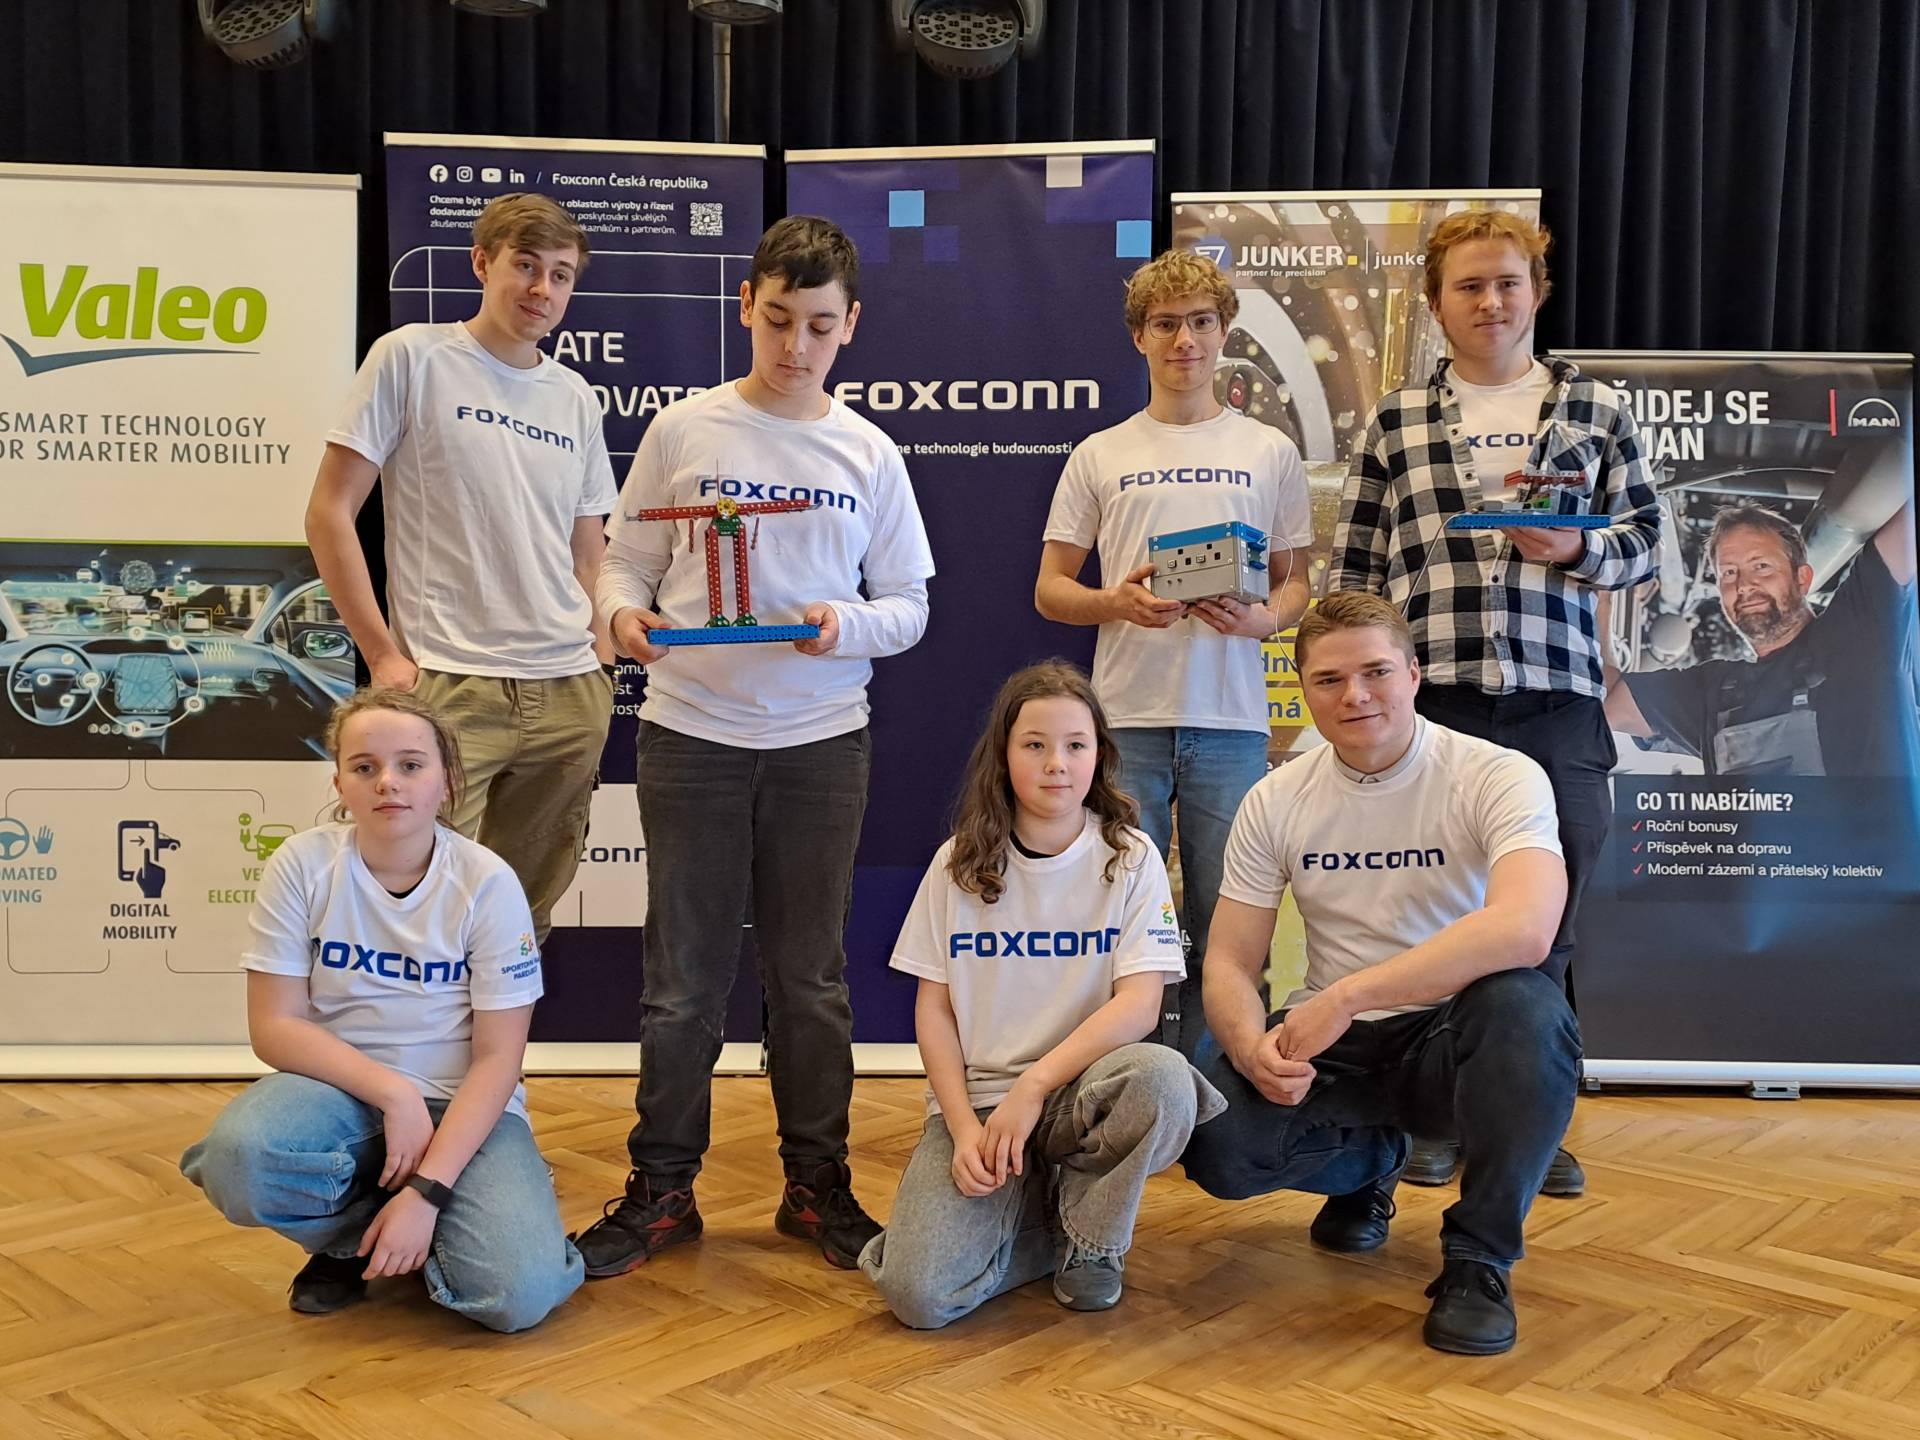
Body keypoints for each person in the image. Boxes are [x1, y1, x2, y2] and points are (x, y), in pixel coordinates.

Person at [575, 216, 935, 1276]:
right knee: (681, 981)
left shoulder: (869, 451)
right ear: (745, 307)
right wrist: (621, 618)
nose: (795, 346)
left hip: (822, 743)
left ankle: (816, 1187)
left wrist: (843, 625)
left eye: (819, 326)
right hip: (690, 735)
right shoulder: (685, 430)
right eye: (777, 320)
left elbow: (909, 606)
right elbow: (624, 565)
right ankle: (663, 1191)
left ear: (850, 325)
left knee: (810, 980)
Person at [1328, 208, 1660, 1194]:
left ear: (1537, 291)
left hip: (1559, 706)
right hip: (1433, 709)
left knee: (1547, 924)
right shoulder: (1397, 420)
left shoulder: (1595, 410)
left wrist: (1578, 547)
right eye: (1468, 286)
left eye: (1508, 281)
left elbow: (1647, 543)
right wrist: (1358, 693)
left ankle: (1528, 1125)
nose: (1490, 301)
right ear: (1437, 305)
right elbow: (1355, 572)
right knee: (1435, 912)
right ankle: (1432, 1117)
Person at [1181, 593, 1579, 1355]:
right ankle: (1370, 1166)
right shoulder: (1275, 797)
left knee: (1527, 1009)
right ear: (1304, 691)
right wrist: (1248, 1047)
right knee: (1221, 1149)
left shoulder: (1498, 774)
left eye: (1376, 672)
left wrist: (1349, 994)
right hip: (1338, 1046)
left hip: (1454, 1037)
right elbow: (1229, 959)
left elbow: (1526, 929)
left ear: (1414, 674)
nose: (1355, 695)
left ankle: (1479, 1260)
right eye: (1329, 680)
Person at [180, 688, 583, 1331]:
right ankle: (355, 1244)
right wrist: (394, 1095)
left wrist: (426, 1192)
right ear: (339, 783)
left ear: (447, 782)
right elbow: (275, 1027)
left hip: (463, 1103)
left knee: (518, 1296)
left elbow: (498, 1059)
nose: (387, 782)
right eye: (364, 766)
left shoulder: (487, 882)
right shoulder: (302, 863)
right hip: (340, 1093)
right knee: (239, 1160)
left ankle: (430, 1226)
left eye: (411, 765)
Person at [862, 662, 1223, 1327]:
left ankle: (1093, 1243)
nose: (1056, 763)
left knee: (1163, 1079)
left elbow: (1140, 1005)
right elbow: (934, 1011)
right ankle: (1041, 1221)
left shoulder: (1131, 856)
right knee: (920, 1297)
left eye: (1075, 744)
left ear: (1099, 755)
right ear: (1003, 756)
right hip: (982, 1108)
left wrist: (1033, 1088)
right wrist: (963, 1128)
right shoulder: (956, 862)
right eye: (1034, 744)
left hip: (1081, 1094)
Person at [305, 192, 616, 942]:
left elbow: (589, 549)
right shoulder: (412, 357)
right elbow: (328, 513)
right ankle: (403, 1031)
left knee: (520, 920)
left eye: (561, 275)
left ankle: (500, 1029)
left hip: (568, 692)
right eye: (526, 266)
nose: (542, 289)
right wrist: (382, 654)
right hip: (448, 685)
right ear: (482, 263)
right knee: (413, 906)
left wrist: (602, 658)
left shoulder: (574, 396)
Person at [1038, 248, 1314, 1055]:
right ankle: (1129, 1081)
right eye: (1166, 324)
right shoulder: (1100, 452)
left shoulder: (1269, 451)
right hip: (1126, 719)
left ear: (1224, 332)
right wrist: (1114, 602)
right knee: (1123, 916)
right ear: (1140, 337)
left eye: (1200, 322)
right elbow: (1050, 589)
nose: (1184, 340)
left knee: (1232, 916)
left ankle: (1224, 1085)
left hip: (1232, 723)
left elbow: (1295, 584)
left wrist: (1263, 624)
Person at [1606, 500, 1919, 777]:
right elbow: (1612, 703)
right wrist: (1600, 598)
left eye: (1761, 566)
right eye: (1729, 573)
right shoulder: (1712, 694)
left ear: (1802, 578)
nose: (1744, 584)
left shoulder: (1857, 630)